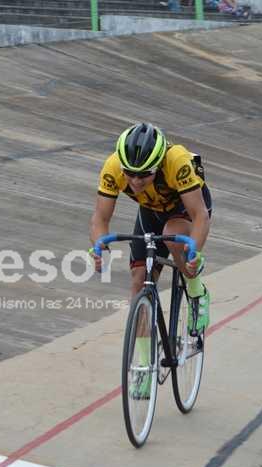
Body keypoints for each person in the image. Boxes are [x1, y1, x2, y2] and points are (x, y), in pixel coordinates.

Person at [89, 123, 212, 395]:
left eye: (144, 175)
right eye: (130, 174)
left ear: (158, 165)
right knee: (138, 283)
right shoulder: (113, 166)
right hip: (151, 211)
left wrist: (194, 254)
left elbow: (200, 216)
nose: (135, 181)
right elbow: (100, 217)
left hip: (187, 208)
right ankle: (144, 366)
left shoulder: (176, 161)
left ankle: (196, 291)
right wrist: (99, 247)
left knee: (173, 238)